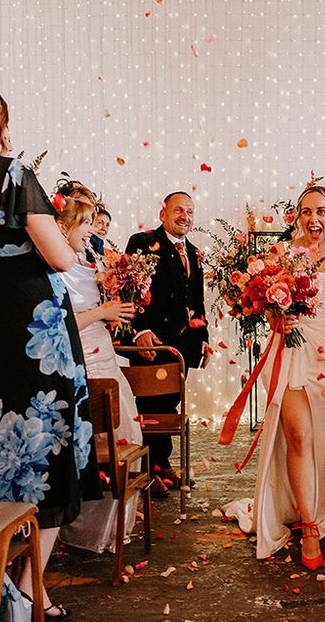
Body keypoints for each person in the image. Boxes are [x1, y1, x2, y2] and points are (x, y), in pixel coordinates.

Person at [225, 186, 325, 569]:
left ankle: (323, 500)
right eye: (307, 211)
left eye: (322, 211)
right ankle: (310, 526)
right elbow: (262, 307)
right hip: (290, 349)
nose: (315, 219)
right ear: (297, 215)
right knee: (298, 434)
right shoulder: (280, 256)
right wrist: (277, 316)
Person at [0, 90, 100, 619]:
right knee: (50, 459)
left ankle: (9, 585)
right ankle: (33, 592)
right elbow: (59, 255)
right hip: (31, 340)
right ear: (1, 124)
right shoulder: (12, 173)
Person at [54, 194, 143, 553]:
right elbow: (58, 321)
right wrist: (102, 311)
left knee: (124, 431)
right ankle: (83, 531)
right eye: (88, 223)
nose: (94, 230)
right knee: (91, 443)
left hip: (104, 351)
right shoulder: (55, 264)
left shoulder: (90, 254)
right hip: (80, 357)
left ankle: (113, 530)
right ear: (64, 226)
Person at [125, 192, 210, 497]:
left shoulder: (195, 252)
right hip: (153, 342)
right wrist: (140, 330)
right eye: (178, 210)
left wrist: (204, 340)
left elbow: (197, 302)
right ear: (163, 214)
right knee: (148, 406)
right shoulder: (142, 242)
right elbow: (129, 288)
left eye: (189, 211)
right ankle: (147, 470)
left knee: (169, 404)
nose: (184, 216)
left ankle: (161, 462)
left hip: (182, 347)